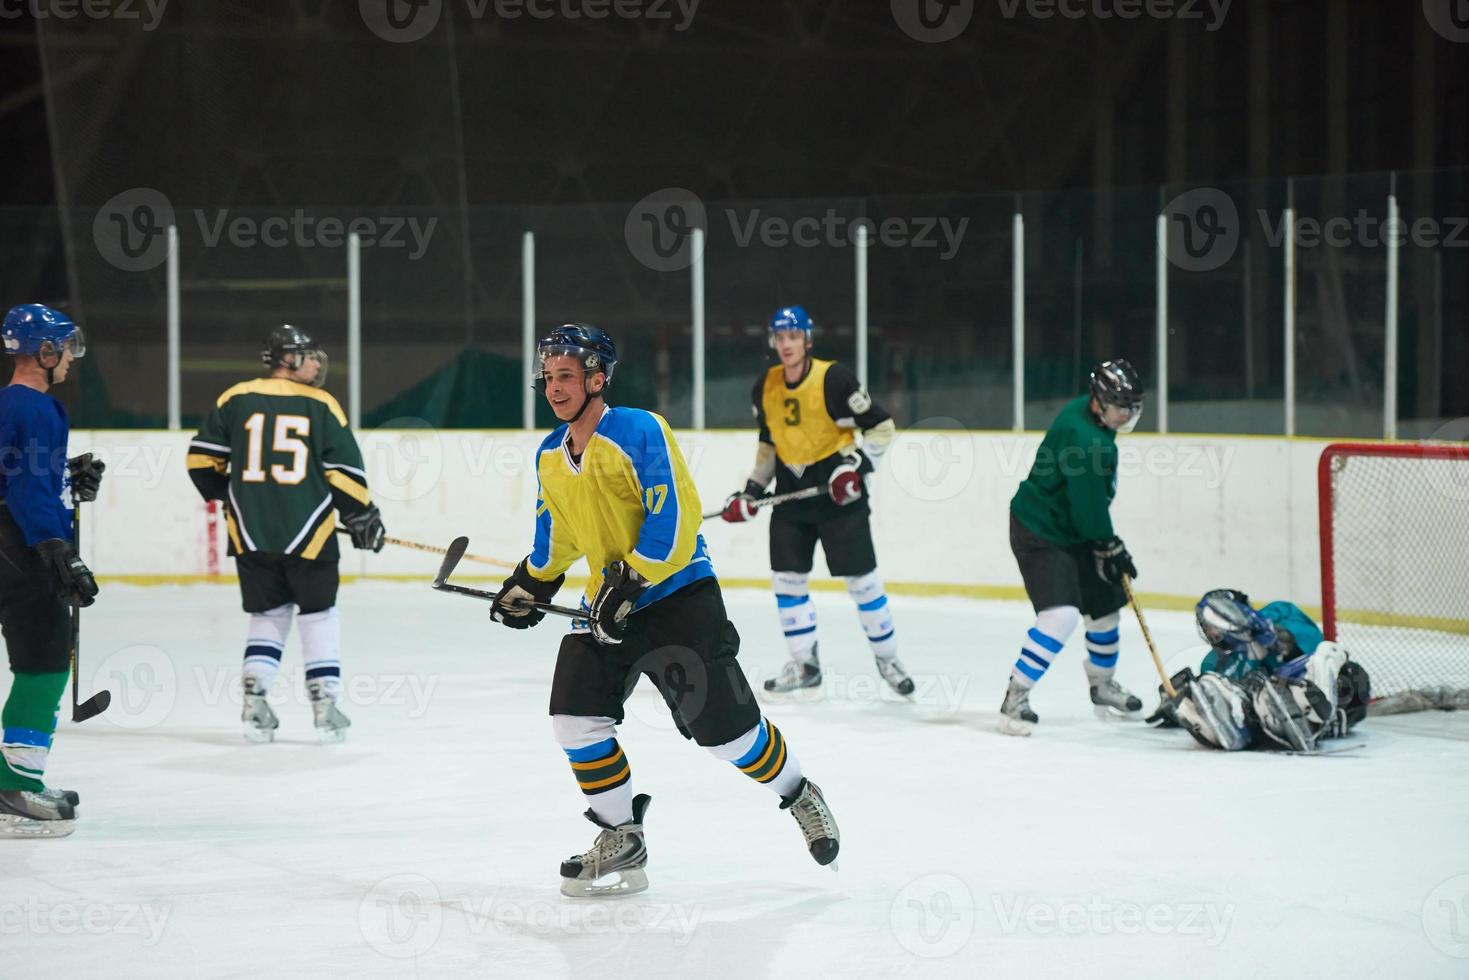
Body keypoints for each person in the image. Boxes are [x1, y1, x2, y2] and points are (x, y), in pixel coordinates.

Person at [491, 323, 840, 897]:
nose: (554, 388)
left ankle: (799, 791)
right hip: (608, 603)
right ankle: (621, 836)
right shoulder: (551, 456)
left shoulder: (639, 430)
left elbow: (674, 523)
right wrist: (532, 583)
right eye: (548, 377)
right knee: (574, 720)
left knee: (729, 738)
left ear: (597, 379)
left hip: (678, 597)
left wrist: (629, 582)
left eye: (567, 377)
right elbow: (555, 537)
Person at [187, 325, 385, 744]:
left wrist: (238, 499)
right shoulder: (320, 404)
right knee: (319, 614)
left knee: (269, 615)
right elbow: (345, 473)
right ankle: (325, 702)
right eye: (310, 355)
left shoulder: (234, 398)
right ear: (289, 359)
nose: (317, 363)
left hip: (250, 535)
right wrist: (362, 516)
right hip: (310, 534)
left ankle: (254, 695)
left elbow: (201, 463)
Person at [720, 305, 912, 696]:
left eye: (794, 336)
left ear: (807, 340)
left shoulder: (834, 378)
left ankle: (888, 659)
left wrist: (854, 468)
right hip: (792, 492)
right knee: (787, 581)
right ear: (773, 342)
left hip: (840, 493)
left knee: (863, 583)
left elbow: (881, 427)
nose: (786, 344)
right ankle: (805, 664)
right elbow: (769, 446)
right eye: (780, 337)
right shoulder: (765, 385)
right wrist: (752, 492)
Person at [999, 359, 1146, 735]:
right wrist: (1109, 545)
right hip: (1040, 530)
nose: (1126, 413)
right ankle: (1015, 696)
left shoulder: (1090, 414)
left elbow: (1087, 505)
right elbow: (1088, 505)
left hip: (1073, 527)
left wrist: (1105, 544)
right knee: (1061, 615)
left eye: (1131, 406)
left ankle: (1102, 685)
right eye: (1120, 406)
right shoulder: (1086, 439)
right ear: (1099, 401)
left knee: (1106, 608)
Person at [0, 304, 99, 837]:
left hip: (10, 542)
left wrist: (67, 479)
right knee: (43, 665)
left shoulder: (11, 404)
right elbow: (25, 489)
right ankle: (15, 788)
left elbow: (21, 472)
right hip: (19, 547)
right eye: (65, 347)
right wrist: (57, 547)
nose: (70, 358)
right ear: (44, 351)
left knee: (36, 660)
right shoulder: (38, 409)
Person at [1148, 589, 1370, 752]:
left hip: (1308, 684)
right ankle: (1269, 716)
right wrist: (1179, 704)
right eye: (1208, 628)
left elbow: (1311, 644)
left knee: (1337, 665)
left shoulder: (1277, 613)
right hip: (1269, 716)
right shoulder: (1213, 662)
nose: (1213, 633)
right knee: (1241, 695)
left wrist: (1274, 638)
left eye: (1216, 625)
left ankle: (1323, 718)